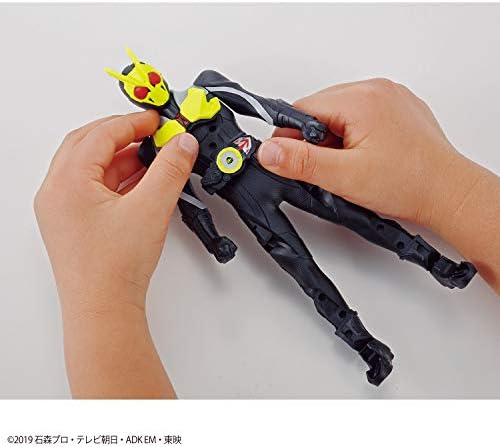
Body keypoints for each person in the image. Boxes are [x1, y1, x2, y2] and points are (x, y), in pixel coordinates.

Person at [34, 78, 500, 398]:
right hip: (245, 200)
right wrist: (211, 238)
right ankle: (366, 345)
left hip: (271, 164)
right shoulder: (154, 147)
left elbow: (259, 104)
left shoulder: (205, 88)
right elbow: (184, 200)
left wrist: (302, 121)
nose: (149, 86)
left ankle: (436, 263)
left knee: (354, 215)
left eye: (148, 76)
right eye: (138, 87)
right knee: (305, 273)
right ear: (133, 96)